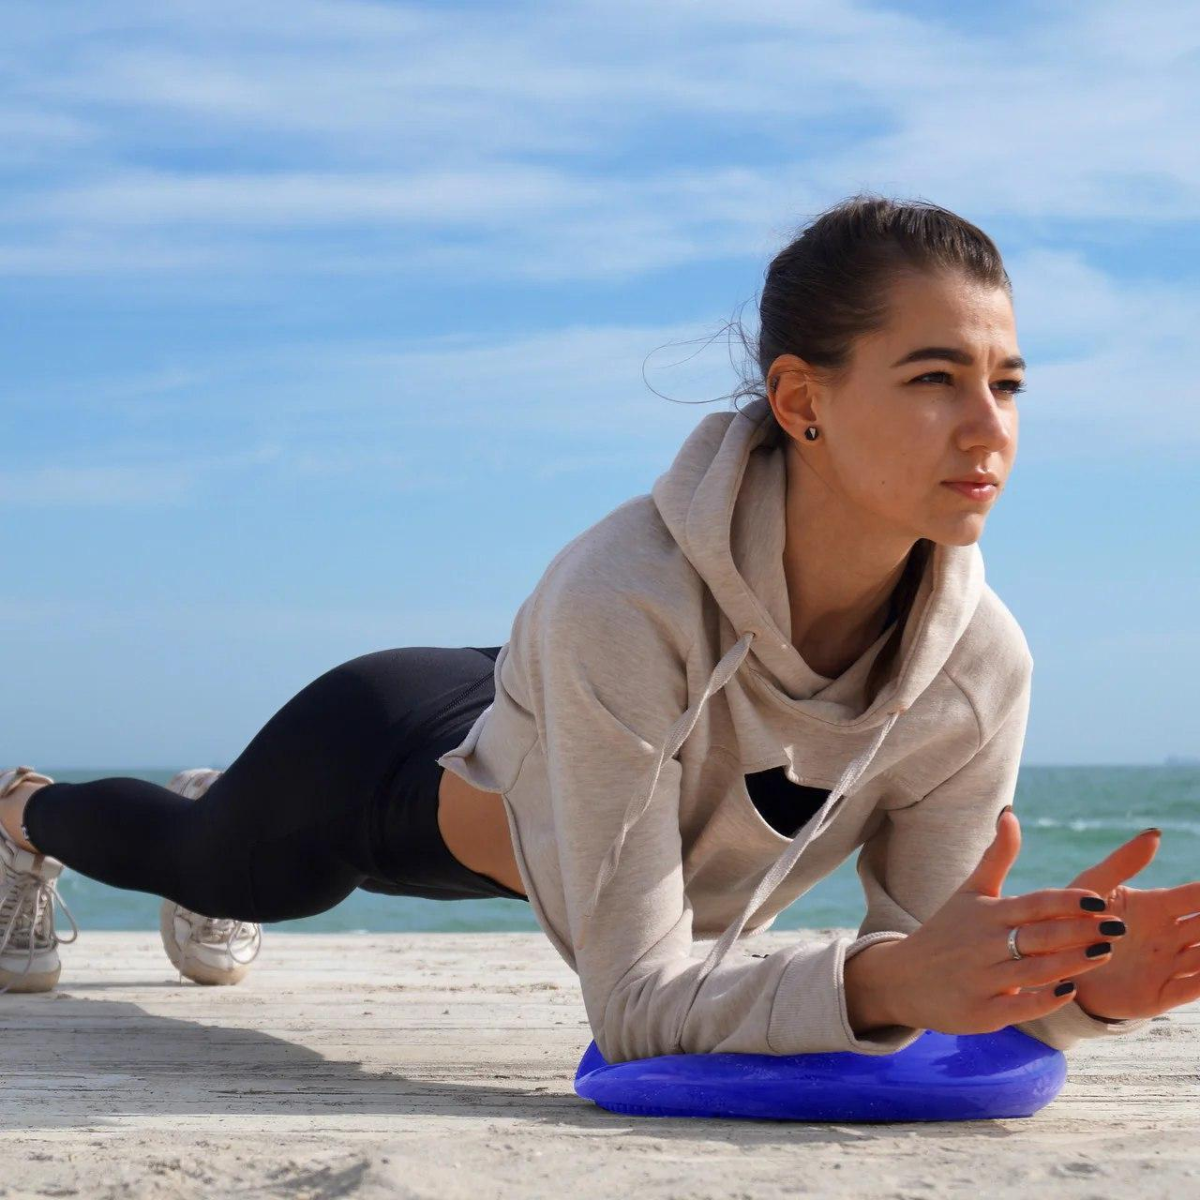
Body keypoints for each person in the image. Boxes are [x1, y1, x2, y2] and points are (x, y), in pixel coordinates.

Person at [3, 194, 1197, 1063]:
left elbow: (931, 988)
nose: (990, 428)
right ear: (802, 400)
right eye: (936, 378)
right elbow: (636, 1009)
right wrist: (883, 981)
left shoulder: (978, 670)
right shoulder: (620, 595)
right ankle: (22, 814)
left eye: (1009, 382)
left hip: (569, 711)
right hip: (393, 764)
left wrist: (1078, 994)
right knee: (217, 863)